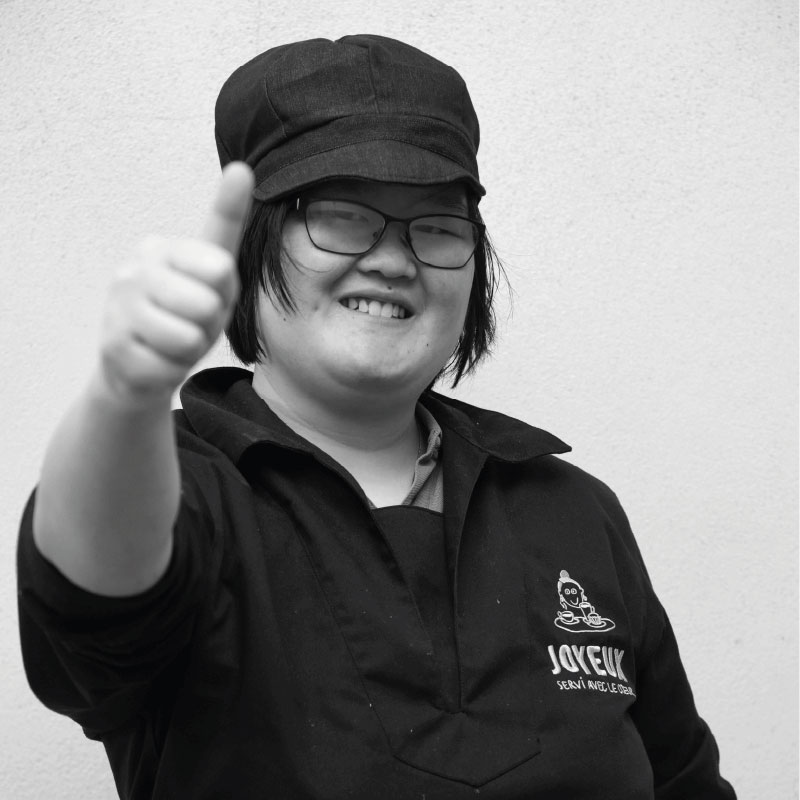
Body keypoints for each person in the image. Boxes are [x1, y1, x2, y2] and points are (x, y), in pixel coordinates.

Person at [16, 34, 736, 799]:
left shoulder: (572, 509)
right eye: (341, 215)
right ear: (253, 245)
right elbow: (91, 587)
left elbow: (683, 779)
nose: (393, 260)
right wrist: (121, 398)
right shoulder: (185, 492)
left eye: (437, 226)